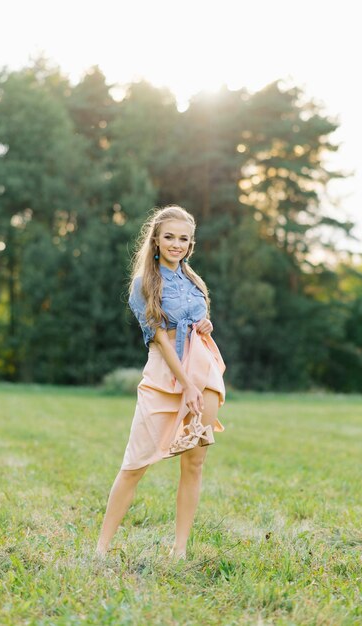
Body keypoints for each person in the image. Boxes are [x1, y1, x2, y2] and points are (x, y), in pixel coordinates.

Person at [95, 205, 226, 561]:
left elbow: (198, 326)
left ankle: (179, 549)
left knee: (194, 463)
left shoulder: (196, 282)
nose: (176, 244)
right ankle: (101, 549)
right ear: (155, 239)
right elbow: (160, 339)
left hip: (203, 374)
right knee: (134, 463)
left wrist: (206, 326)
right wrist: (185, 384)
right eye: (169, 236)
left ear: (191, 243)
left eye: (184, 238)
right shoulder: (144, 284)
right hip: (166, 377)